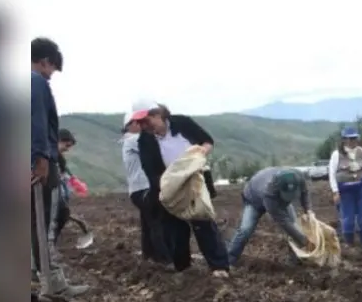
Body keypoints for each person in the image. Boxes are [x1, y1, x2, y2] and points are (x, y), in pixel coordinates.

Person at [135, 100, 230, 276]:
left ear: (158, 115)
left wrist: (200, 154)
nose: (143, 126)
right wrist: (170, 184)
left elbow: (207, 142)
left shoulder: (182, 123)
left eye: (145, 120)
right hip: (169, 186)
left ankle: (219, 266)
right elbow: (150, 171)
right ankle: (183, 268)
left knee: (203, 223)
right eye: (139, 123)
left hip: (196, 182)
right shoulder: (145, 140)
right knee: (174, 228)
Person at [30, 37, 88, 296]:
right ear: (45, 62)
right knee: (44, 224)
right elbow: (38, 124)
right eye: (52, 69)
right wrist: (42, 160)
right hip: (39, 164)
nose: (51, 75)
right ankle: (53, 284)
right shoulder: (35, 82)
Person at [227, 166, 312, 266]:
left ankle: (297, 260)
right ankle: (229, 261)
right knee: (246, 229)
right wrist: (304, 240)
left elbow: (304, 193)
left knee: (295, 226)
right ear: (279, 188)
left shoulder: (298, 176)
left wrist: (309, 210)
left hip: (275, 197)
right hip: (254, 200)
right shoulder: (268, 193)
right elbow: (284, 222)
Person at [121, 107, 171, 264]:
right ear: (133, 124)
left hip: (137, 190)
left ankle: (148, 255)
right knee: (157, 221)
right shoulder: (134, 140)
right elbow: (159, 146)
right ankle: (165, 258)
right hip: (144, 188)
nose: (146, 125)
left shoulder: (128, 142)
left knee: (148, 222)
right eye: (142, 122)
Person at [328, 127, 362, 249]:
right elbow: (332, 174)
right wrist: (335, 191)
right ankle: (350, 245)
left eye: (354, 138)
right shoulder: (336, 155)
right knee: (348, 219)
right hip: (345, 191)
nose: (352, 141)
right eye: (349, 139)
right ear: (344, 140)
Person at [49, 128, 91, 246]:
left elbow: (64, 173)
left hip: (59, 196)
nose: (67, 149)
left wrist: (73, 180)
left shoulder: (60, 159)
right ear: (58, 140)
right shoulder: (47, 156)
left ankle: (51, 246)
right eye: (66, 145)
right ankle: (48, 247)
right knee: (57, 217)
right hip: (51, 195)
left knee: (61, 215)